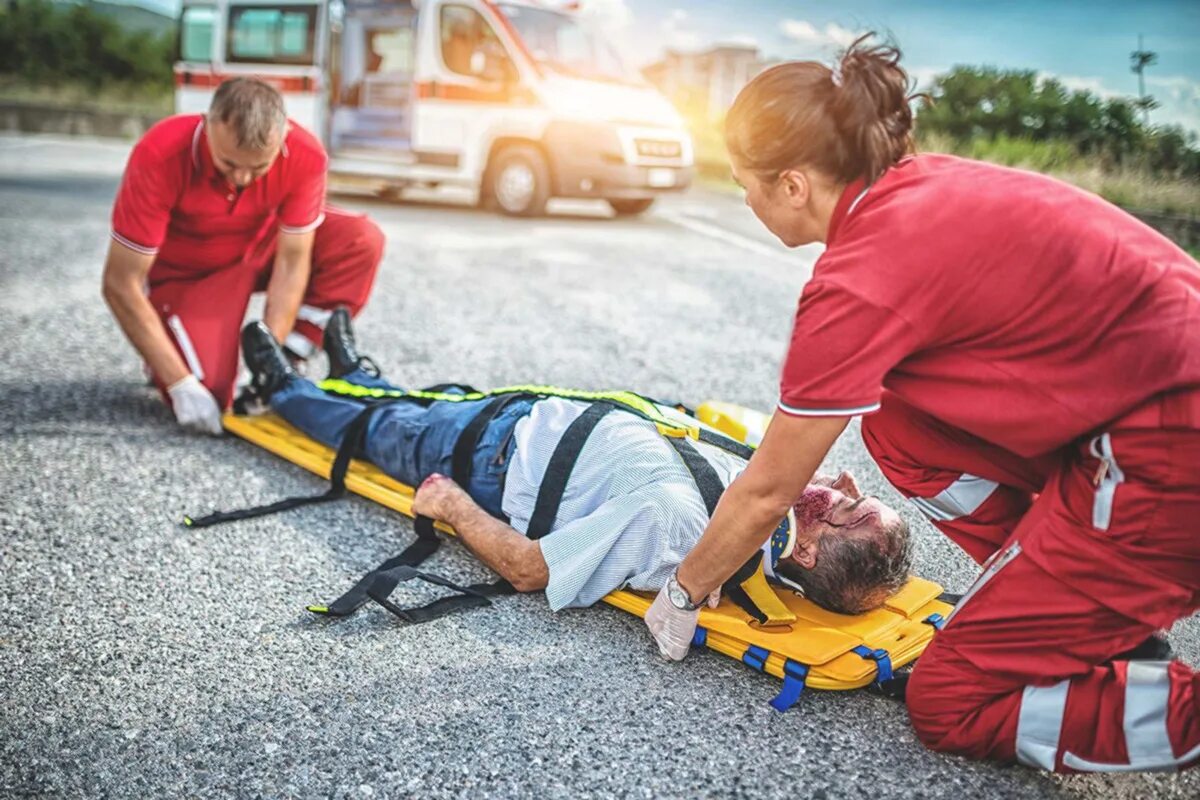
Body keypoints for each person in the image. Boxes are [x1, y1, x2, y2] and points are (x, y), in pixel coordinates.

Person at [641, 34, 1200, 774]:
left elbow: (769, 489)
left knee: (950, 701)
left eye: (747, 184)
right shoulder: (924, 186)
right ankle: (1080, 611)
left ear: (793, 184)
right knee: (899, 426)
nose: (745, 200)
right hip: (1145, 410)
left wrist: (683, 591)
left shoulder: (857, 279)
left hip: (1164, 451)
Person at [238, 311, 912, 613]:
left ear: (809, 553)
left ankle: (285, 390)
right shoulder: (762, 503)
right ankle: (357, 370)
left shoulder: (682, 531)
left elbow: (532, 569)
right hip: (531, 418)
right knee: (421, 404)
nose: (844, 483)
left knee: (379, 429)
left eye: (847, 506)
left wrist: (452, 506)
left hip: (491, 460)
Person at [102, 77, 384, 436]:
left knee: (361, 239)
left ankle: (291, 360)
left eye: (259, 168)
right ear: (207, 125)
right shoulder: (161, 153)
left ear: (282, 137)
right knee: (213, 394)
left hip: (260, 249)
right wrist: (179, 382)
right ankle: (171, 349)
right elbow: (119, 283)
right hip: (190, 274)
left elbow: (292, 261)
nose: (241, 178)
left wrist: (273, 357)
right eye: (228, 163)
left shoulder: (306, 154)